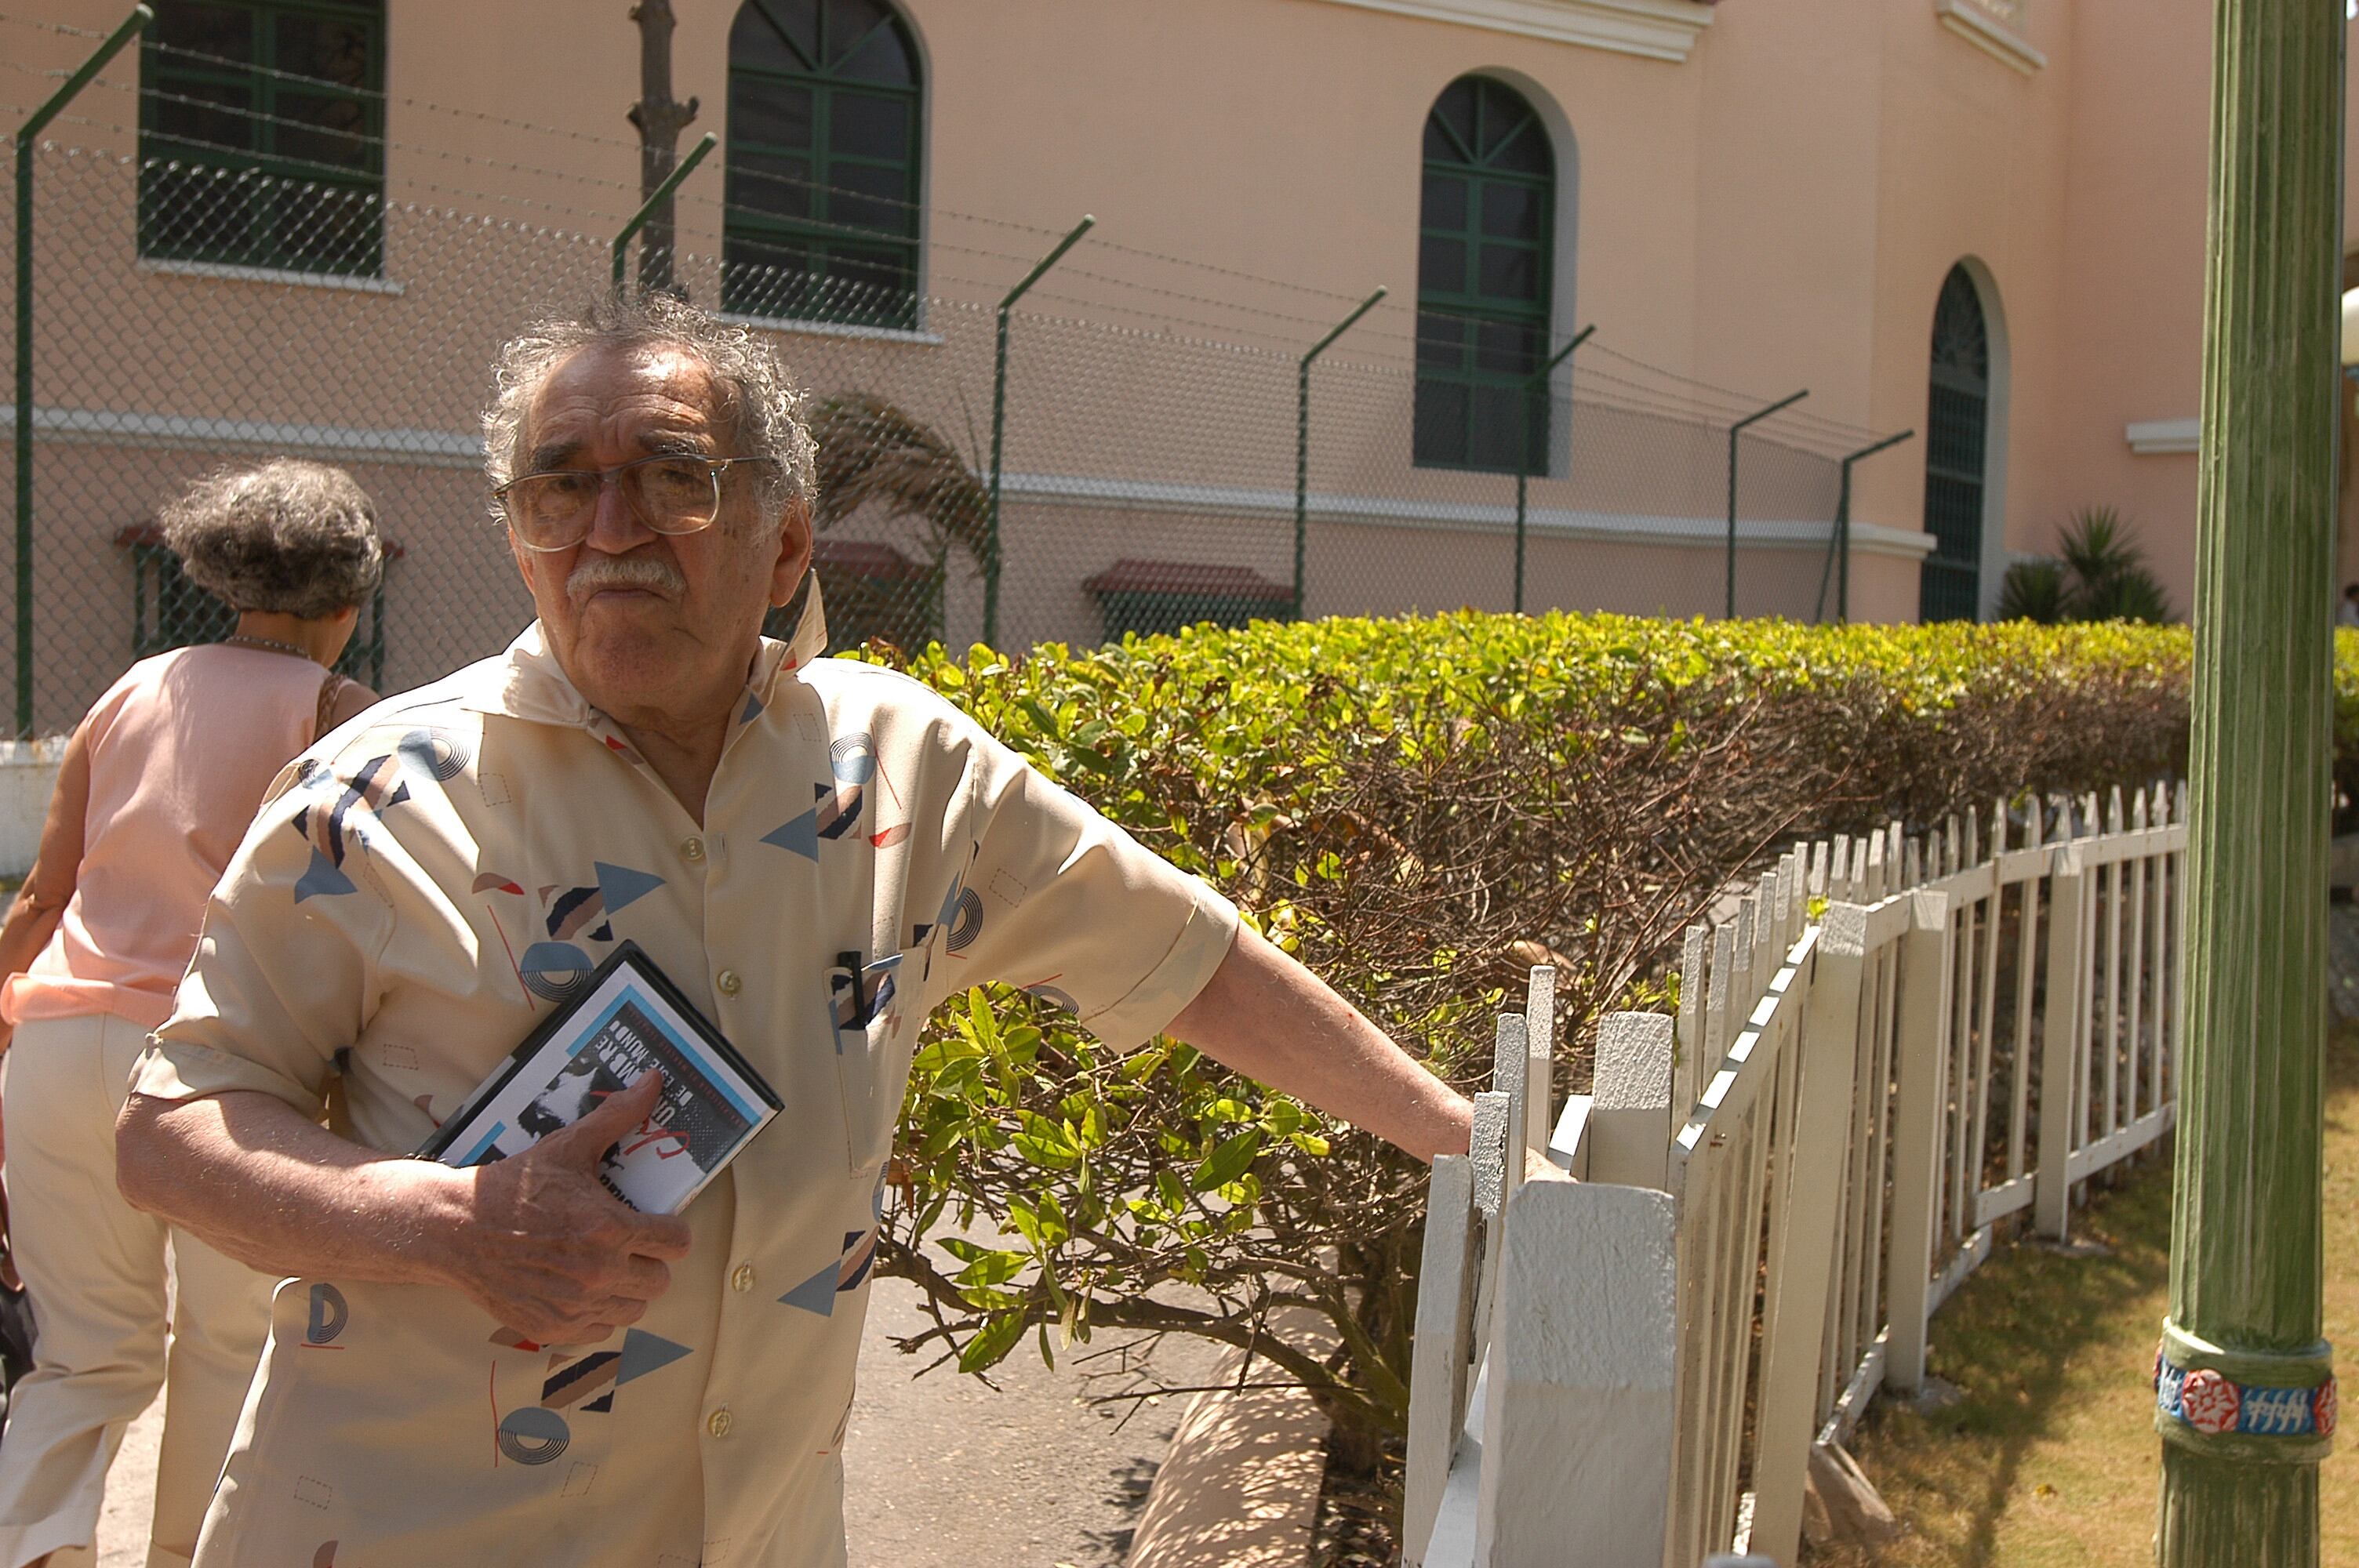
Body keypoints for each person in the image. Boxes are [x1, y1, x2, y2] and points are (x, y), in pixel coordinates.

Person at [111, 293, 1471, 1565]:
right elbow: (171, 1130)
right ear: (521, 539)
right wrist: (449, 1220)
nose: (611, 528)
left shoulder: (903, 767)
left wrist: (1467, 1143)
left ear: (788, 542)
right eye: (560, 486)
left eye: (672, 475)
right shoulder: (374, 795)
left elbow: (1185, 961)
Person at [0, 458, 383, 1568]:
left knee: (83, 1356)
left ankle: (33, 1548)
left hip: (59, 1042)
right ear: (351, 600)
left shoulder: (136, 688)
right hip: (214, 1060)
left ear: (219, 577)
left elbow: (41, 898)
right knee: (230, 1343)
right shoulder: (340, 713)